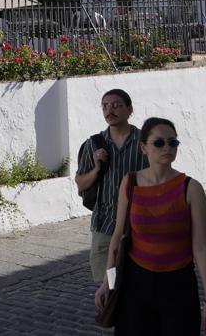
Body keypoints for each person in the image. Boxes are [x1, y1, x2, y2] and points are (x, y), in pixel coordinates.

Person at [94, 117, 206, 335]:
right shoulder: (130, 183)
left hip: (178, 284)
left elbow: (200, 247)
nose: (167, 148)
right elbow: (117, 239)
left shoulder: (190, 188)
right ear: (144, 147)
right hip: (136, 283)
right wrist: (108, 283)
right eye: (159, 143)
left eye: (173, 143)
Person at [74, 89, 149, 283]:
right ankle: (111, 308)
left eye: (116, 105)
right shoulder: (93, 144)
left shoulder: (145, 142)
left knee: (136, 282)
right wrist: (96, 169)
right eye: (105, 106)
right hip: (105, 227)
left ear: (129, 109)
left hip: (139, 226)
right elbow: (80, 182)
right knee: (108, 282)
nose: (110, 110)